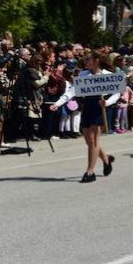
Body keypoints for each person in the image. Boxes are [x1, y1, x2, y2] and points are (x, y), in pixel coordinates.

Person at [51, 52, 118, 183]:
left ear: (97, 61)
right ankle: (106, 159)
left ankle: (90, 171)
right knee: (88, 140)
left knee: (93, 139)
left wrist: (108, 102)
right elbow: (72, 91)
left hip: (100, 106)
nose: (86, 61)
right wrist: (58, 103)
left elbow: (117, 93)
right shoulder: (83, 74)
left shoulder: (108, 75)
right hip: (88, 105)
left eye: (89, 59)